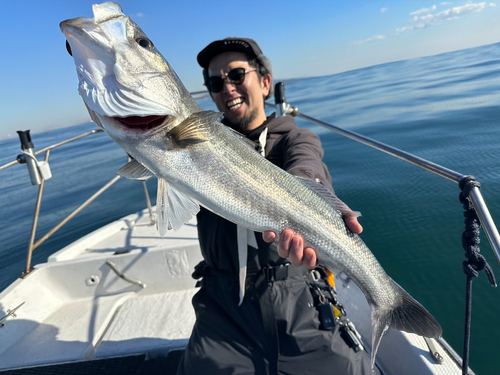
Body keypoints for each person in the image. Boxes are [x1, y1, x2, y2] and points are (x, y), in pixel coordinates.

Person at [177, 37, 380, 375]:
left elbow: (307, 167)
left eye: (237, 75)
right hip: (224, 306)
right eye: (216, 82)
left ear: (265, 82)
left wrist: (308, 198)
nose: (227, 88)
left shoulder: (294, 138)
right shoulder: (199, 146)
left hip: (299, 295)